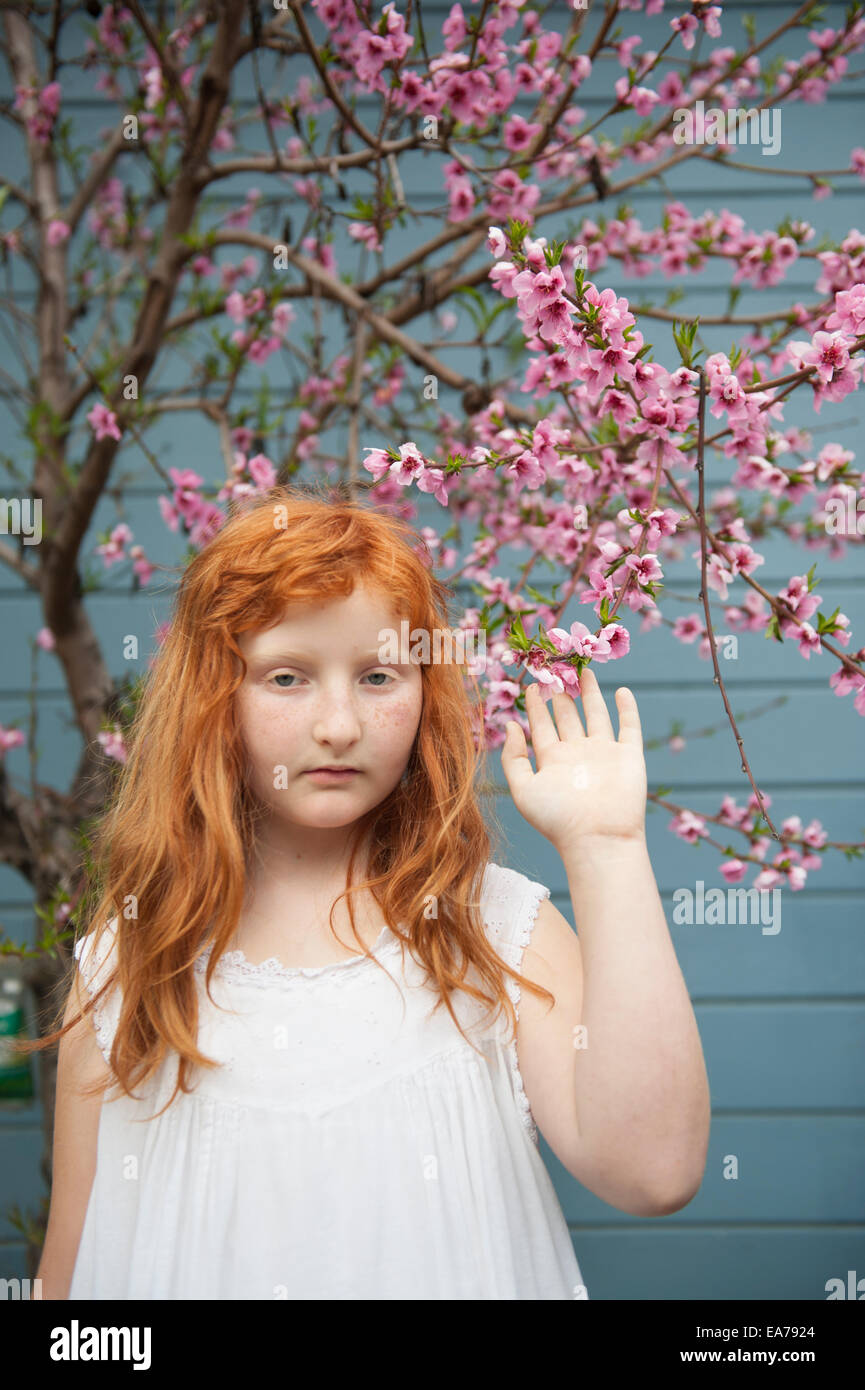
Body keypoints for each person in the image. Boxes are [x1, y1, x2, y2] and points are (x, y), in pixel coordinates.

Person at [31, 484, 710, 1300]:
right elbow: (70, 1271)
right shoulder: (127, 963)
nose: (340, 725)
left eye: (379, 676)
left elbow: (653, 1171)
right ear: (214, 701)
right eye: (287, 677)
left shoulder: (488, 930)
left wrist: (606, 849)